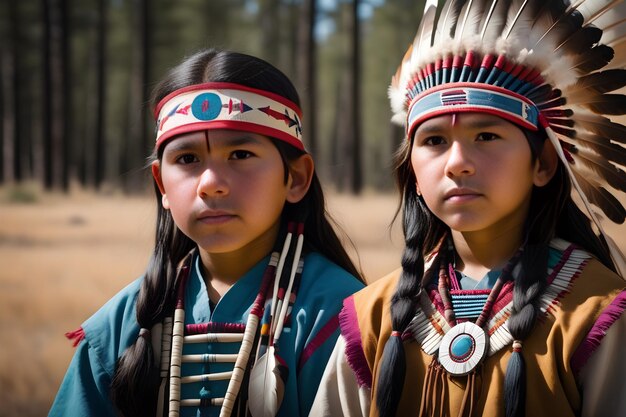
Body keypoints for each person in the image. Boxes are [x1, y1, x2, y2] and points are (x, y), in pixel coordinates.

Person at [311, 0, 626, 416]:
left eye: (487, 137)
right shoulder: (372, 316)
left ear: (544, 164)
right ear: (414, 176)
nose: (457, 162)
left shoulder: (595, 312)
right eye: (435, 141)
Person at [49, 49, 365, 417]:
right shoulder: (121, 325)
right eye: (187, 160)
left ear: (295, 178)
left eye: (241, 154)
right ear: (161, 186)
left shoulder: (344, 319)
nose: (211, 184)